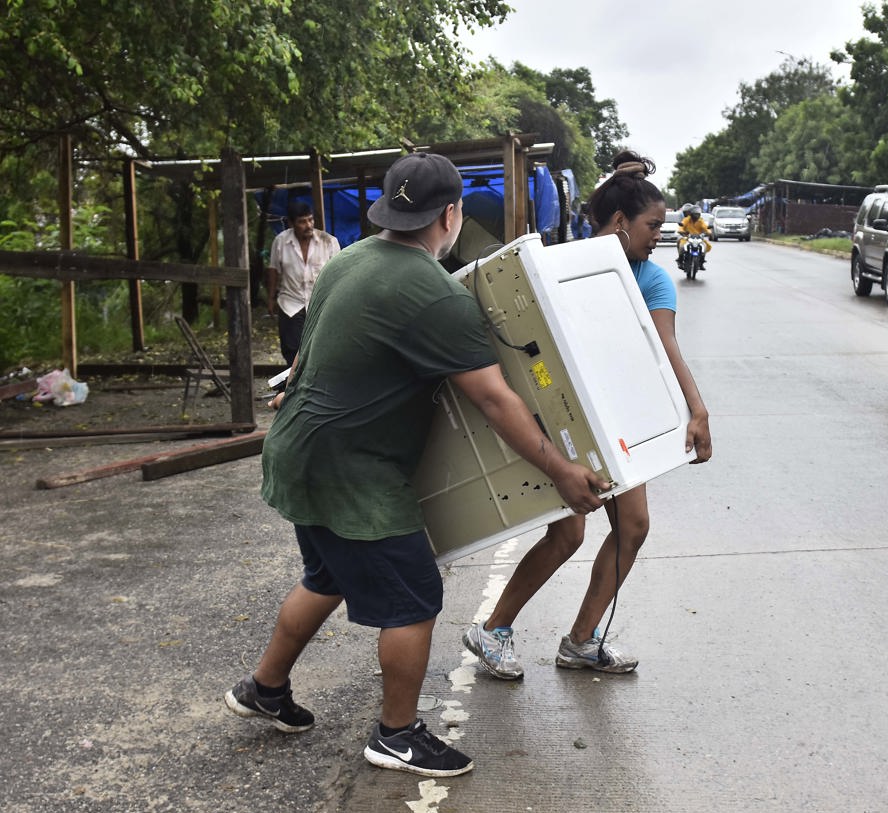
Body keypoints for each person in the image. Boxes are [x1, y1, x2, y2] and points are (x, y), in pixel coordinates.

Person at [224, 153, 609, 778]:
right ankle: (396, 736)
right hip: (353, 470)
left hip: (297, 449)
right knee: (413, 595)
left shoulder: (345, 259)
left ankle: (263, 689)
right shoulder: (433, 293)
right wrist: (562, 470)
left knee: (327, 574)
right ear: (451, 214)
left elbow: (313, 350)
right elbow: (493, 398)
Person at [463, 150, 712, 679]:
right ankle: (494, 630)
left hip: (618, 419)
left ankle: (581, 640)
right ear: (619, 222)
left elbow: (666, 349)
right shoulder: (557, 266)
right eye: (651, 226)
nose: (658, 236)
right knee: (567, 533)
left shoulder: (653, 279)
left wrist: (697, 409)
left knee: (633, 526)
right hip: (559, 418)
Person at [266, 200, 340, 365]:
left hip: (320, 304)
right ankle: (294, 387)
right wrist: (270, 298)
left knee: (321, 349)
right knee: (292, 351)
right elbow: (273, 269)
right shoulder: (280, 242)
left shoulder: (328, 242)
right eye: (302, 221)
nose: (308, 225)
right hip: (291, 303)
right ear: (291, 223)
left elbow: (338, 272)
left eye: (310, 220)